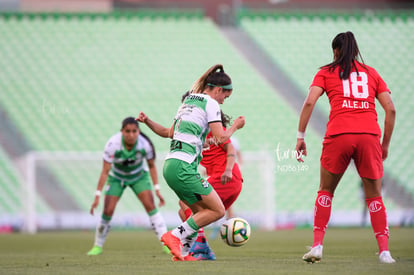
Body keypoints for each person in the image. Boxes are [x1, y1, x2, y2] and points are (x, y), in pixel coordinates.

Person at [295, 32, 396, 264]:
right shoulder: (372, 73)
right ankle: (384, 252)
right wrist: (385, 144)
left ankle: (318, 246)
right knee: (374, 197)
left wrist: (301, 136)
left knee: (326, 191)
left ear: (335, 51)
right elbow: (391, 110)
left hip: (339, 134)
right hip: (369, 136)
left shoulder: (325, 72)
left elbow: (310, 101)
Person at [137, 64, 245, 261]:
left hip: (171, 165)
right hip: (184, 168)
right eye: (225, 97)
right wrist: (236, 126)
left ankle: (185, 253)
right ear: (218, 90)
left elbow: (169, 133)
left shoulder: (188, 101)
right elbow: (221, 139)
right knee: (218, 211)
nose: (223, 101)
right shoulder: (211, 103)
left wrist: (147, 121)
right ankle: (174, 235)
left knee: (197, 211)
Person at [87, 117, 168, 256]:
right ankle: (97, 246)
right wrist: (97, 195)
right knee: (108, 210)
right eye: (127, 131)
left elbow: (151, 166)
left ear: (138, 131)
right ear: (122, 131)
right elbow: (105, 171)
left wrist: (157, 189)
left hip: (138, 177)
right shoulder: (113, 144)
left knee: (151, 206)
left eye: (134, 131)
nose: (131, 135)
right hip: (117, 178)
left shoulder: (145, 145)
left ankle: (166, 244)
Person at [176, 101, 244, 260]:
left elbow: (230, 148)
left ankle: (199, 244)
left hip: (226, 177)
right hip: (227, 180)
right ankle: (201, 249)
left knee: (185, 203)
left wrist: (227, 170)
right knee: (184, 211)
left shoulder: (215, 130)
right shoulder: (199, 132)